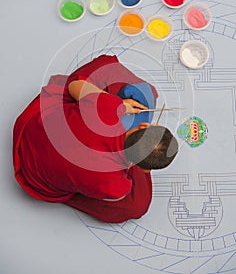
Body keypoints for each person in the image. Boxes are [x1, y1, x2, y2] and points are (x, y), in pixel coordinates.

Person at [13, 54, 178, 223]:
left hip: (30, 130)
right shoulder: (117, 186)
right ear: (144, 171)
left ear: (143, 126)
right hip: (36, 179)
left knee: (106, 65)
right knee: (138, 205)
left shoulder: (106, 108)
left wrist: (120, 105)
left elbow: (74, 86)